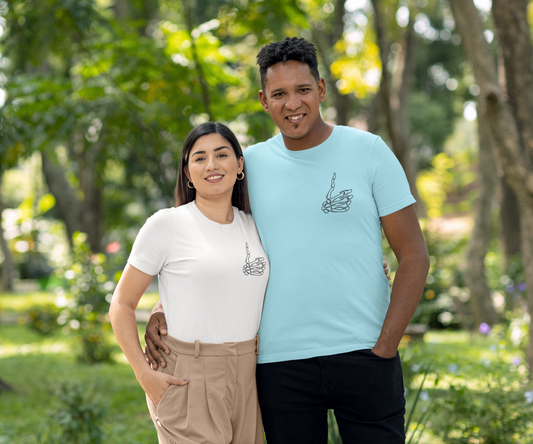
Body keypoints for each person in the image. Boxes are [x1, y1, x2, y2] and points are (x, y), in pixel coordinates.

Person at [145, 37, 429, 444]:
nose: (292, 103)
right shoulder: (249, 166)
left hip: (366, 353)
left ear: (321, 90)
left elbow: (414, 256)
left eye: (302, 90)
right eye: (279, 94)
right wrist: (162, 304)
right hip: (280, 363)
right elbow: (210, 237)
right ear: (264, 100)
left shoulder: (369, 151)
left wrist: (385, 345)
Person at [109, 122, 269, 444]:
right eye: (199, 158)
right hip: (189, 374)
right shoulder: (167, 224)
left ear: (239, 165)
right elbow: (122, 305)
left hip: (250, 373)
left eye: (221, 154)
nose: (211, 165)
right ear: (187, 171)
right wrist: (144, 374)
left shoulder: (257, 225)